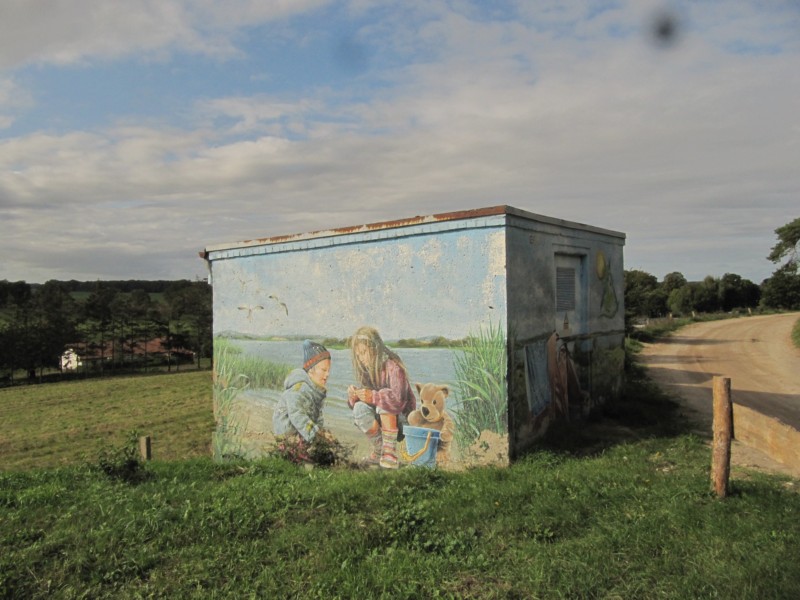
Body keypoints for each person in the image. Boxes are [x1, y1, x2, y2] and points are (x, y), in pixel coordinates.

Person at [347, 326, 416, 468]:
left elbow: (397, 400)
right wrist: (355, 397)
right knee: (359, 408)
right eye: (358, 355)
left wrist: (372, 396)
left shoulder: (393, 367)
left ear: (375, 348)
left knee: (384, 400)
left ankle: (390, 452)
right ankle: (380, 450)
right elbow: (370, 400)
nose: (360, 358)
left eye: (363, 352)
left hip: (403, 420)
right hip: (383, 419)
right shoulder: (368, 371)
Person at [273, 340, 333, 444]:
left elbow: (317, 415)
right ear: (310, 370)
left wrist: (321, 431)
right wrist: (316, 434)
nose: (327, 374)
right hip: (286, 432)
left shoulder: (316, 389)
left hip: (302, 431)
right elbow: (297, 414)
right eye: (324, 370)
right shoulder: (299, 388)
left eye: (328, 370)